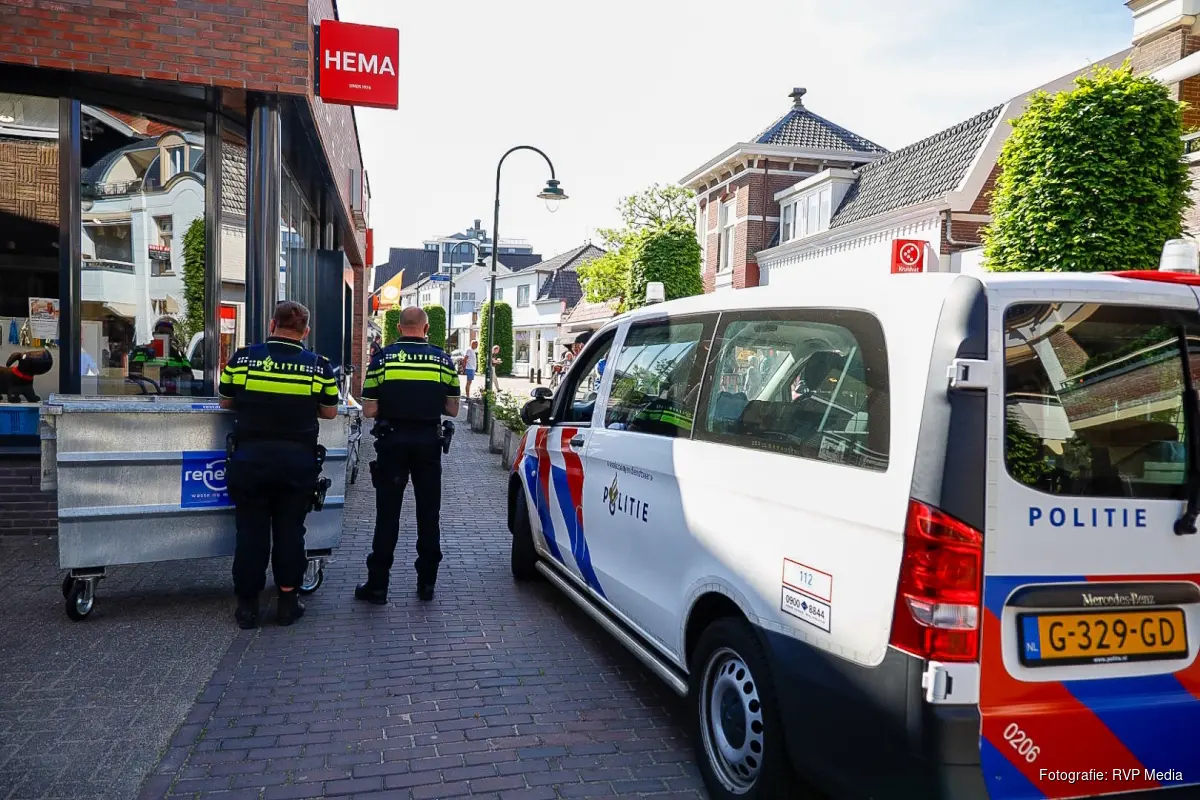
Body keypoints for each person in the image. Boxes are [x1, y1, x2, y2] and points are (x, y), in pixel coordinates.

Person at [218, 301, 339, 629]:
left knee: (250, 533)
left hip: (250, 462)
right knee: (290, 532)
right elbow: (330, 412)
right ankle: (287, 602)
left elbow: (225, 400)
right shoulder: (318, 367)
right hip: (296, 465)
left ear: (272, 325)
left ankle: (247, 607)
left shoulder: (243, 359)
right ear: (306, 331)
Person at [355, 306, 460, 604]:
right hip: (428, 443)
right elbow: (453, 409)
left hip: (392, 441)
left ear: (399, 328)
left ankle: (378, 586)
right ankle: (427, 584)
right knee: (429, 513)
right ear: (426, 329)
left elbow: (369, 409)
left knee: (387, 515)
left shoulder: (382, 359)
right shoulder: (442, 360)